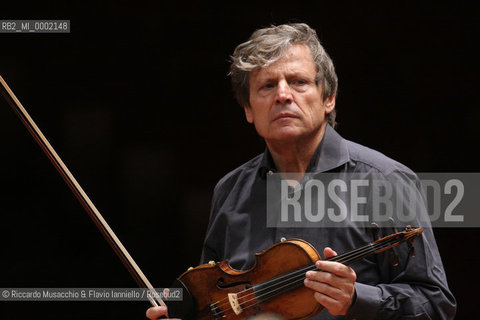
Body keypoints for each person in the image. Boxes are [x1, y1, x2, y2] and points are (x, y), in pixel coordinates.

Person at [147, 23, 456, 320]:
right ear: (248, 110)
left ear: (329, 98)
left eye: (298, 82)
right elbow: (214, 307)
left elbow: (435, 305)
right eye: (267, 86)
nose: (283, 95)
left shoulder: (384, 182)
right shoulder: (230, 191)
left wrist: (357, 299)